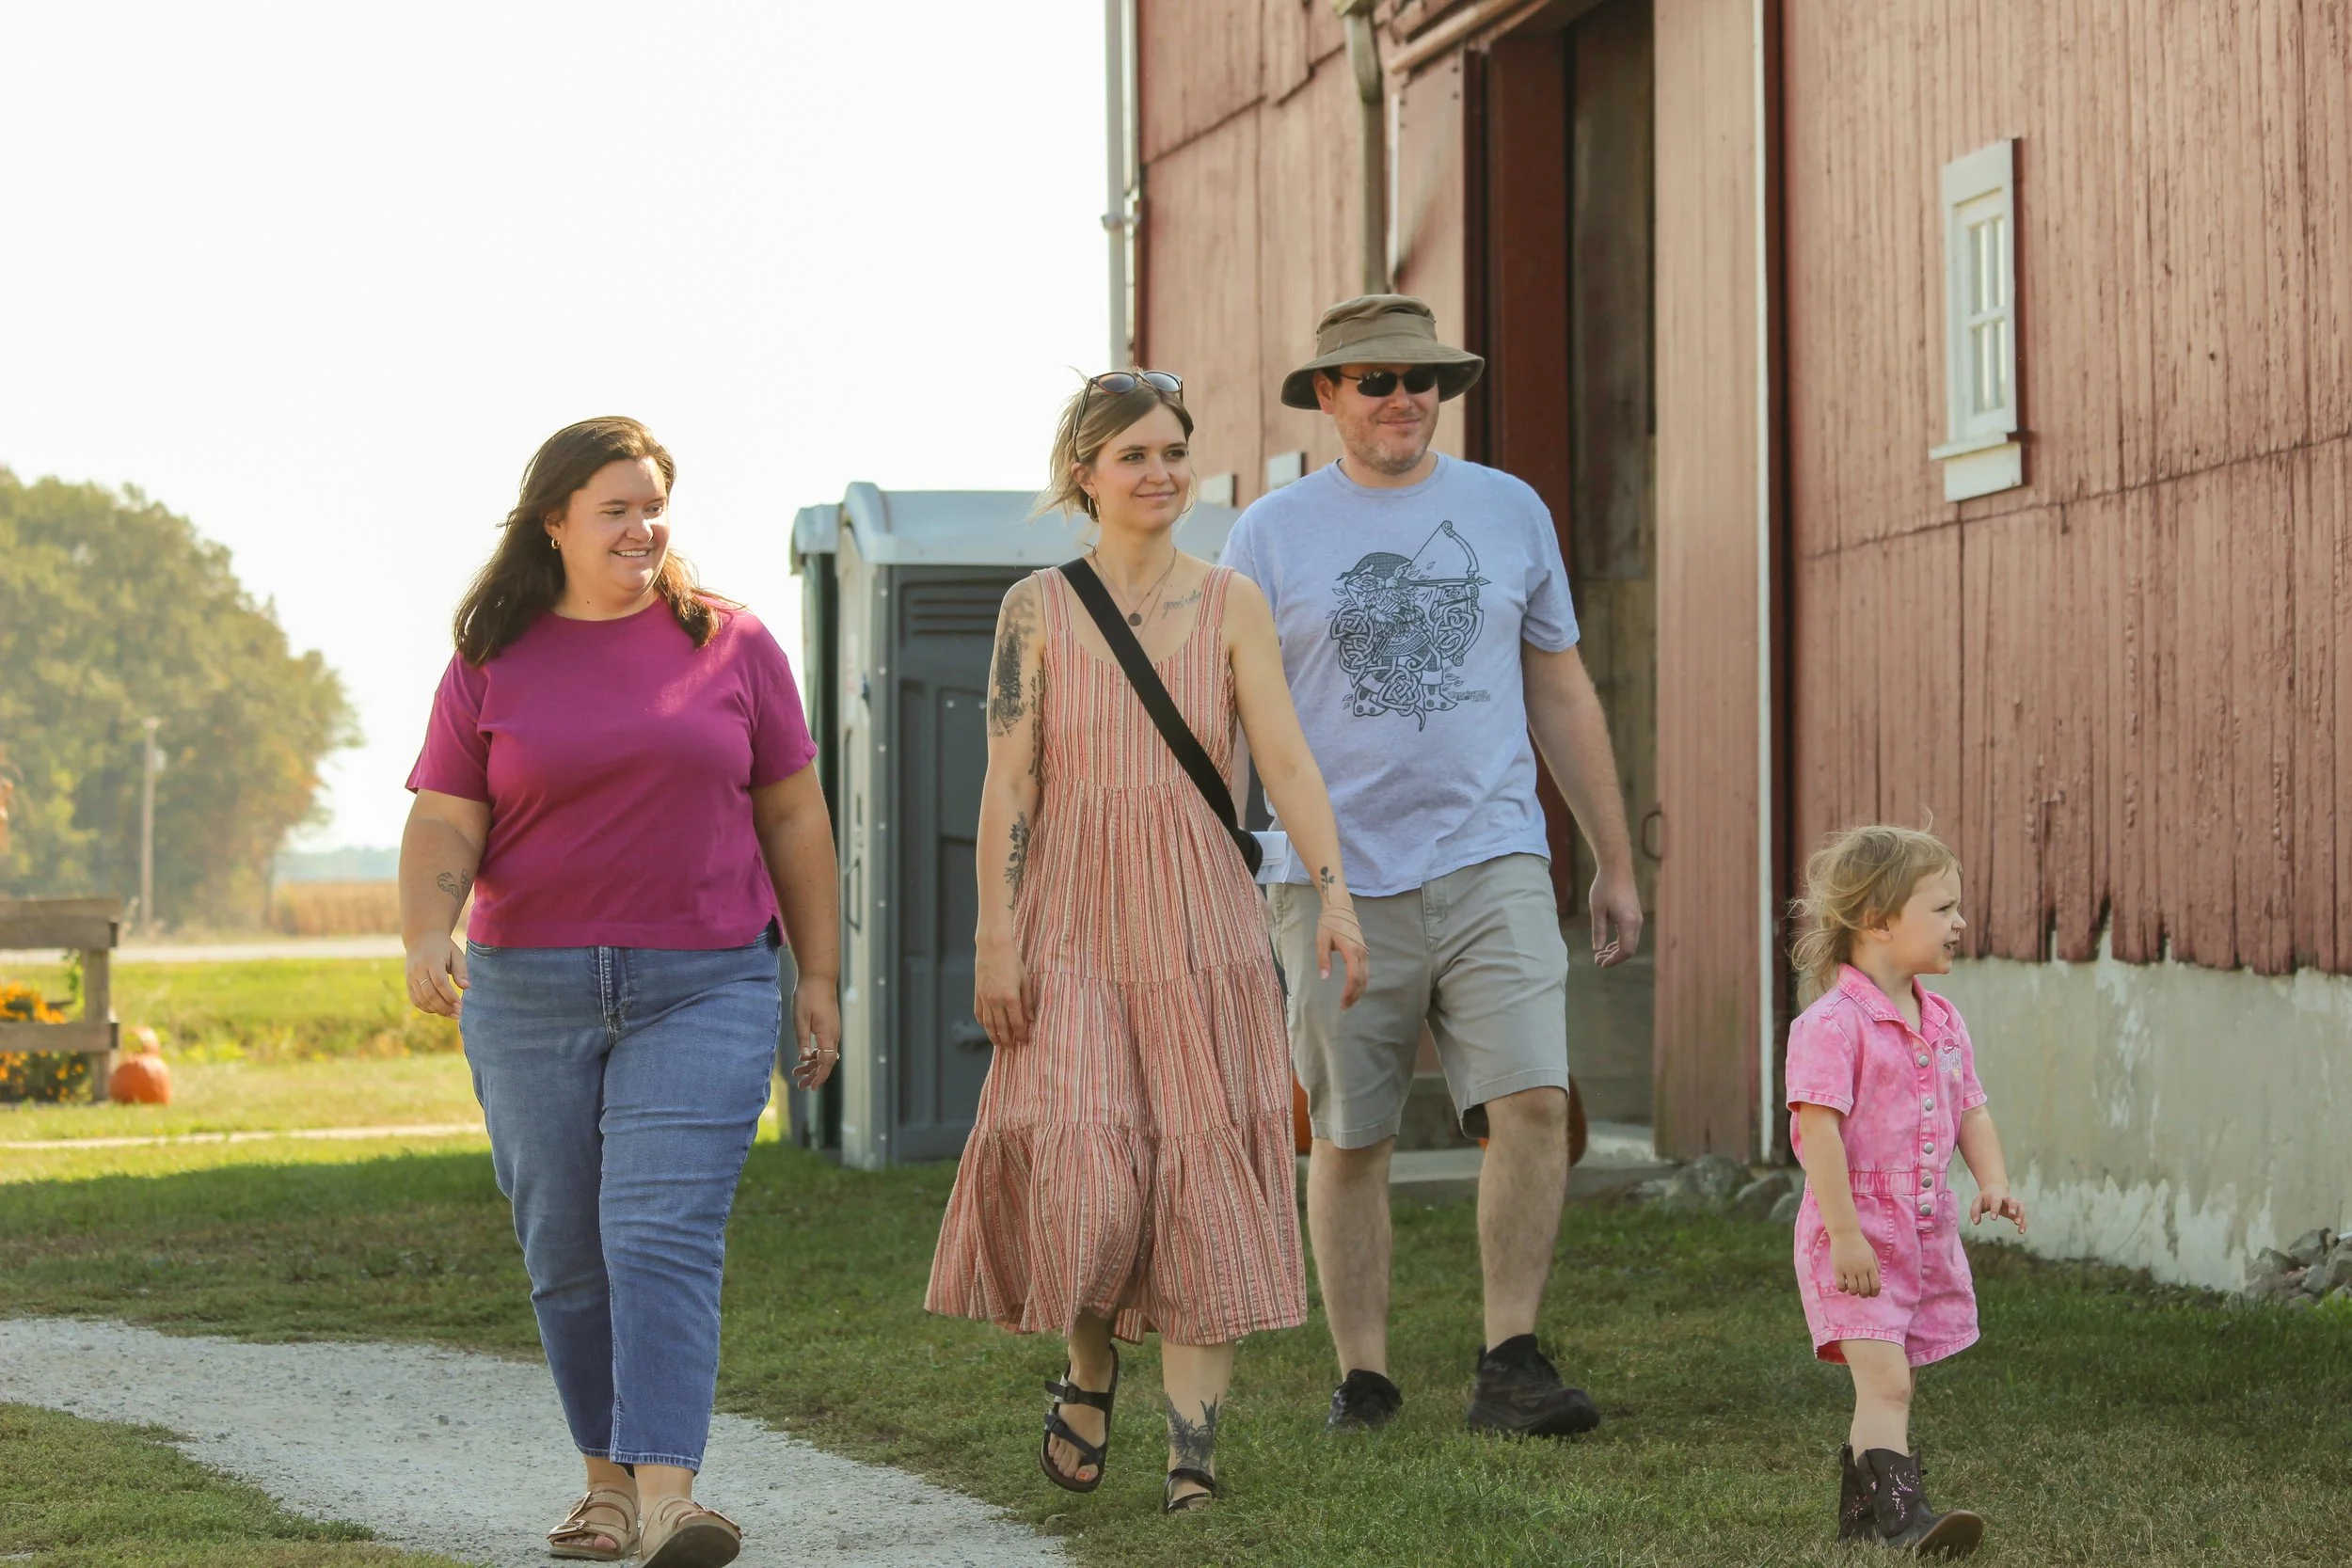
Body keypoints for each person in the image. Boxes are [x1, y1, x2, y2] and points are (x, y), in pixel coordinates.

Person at [399, 417, 840, 1568]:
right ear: (555, 521)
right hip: (529, 988)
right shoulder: (493, 655)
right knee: (565, 1245)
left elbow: (793, 813)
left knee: (659, 1230)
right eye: (616, 508)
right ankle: (604, 1485)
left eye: (654, 505)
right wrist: (425, 929)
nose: (644, 528)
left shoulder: (732, 643)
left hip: (706, 979)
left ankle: (667, 1495)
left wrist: (820, 973)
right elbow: (448, 813)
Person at [926, 371, 1370, 1513]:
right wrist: (994, 935)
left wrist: (1335, 896)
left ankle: (1192, 1455)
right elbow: (1010, 780)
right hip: (1069, 913)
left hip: (1200, 916)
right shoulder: (1035, 606)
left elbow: (1285, 760)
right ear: (1085, 473)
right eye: (1133, 454)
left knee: (1200, 1169)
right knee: (1082, 1154)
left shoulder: (1231, 602)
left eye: (1173, 451)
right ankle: (1087, 1364)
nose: (1160, 473)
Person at [1218, 293, 1645, 1437]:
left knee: (1534, 1100)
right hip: (1330, 879)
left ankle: (1510, 1357)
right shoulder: (1268, 534)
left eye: (1423, 379)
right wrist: (1227, 865)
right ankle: (1362, 1375)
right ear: (1328, 395)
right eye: (1376, 380)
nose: (1403, 397)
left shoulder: (1507, 510)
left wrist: (1612, 855)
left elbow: (1560, 687)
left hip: (1490, 851)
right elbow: (1230, 714)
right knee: (1351, 1131)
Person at [1785, 824, 2024, 1557]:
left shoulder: (1943, 1019)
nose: (1960, 922)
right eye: (1943, 908)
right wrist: (1846, 1233)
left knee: (1889, 1382)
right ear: (1877, 921)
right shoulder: (1830, 1026)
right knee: (1887, 1380)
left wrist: (1993, 1179)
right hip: (1854, 1233)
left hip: (1919, 1232)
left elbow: (1971, 1107)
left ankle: (1860, 1514)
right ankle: (1904, 1516)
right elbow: (1818, 1133)